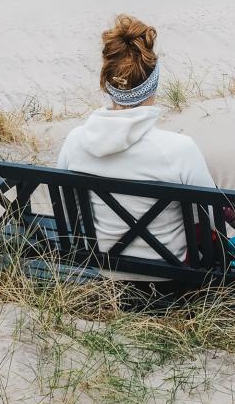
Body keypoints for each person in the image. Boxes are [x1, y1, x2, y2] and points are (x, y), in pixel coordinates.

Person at [56, 14, 215, 261]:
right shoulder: (180, 149)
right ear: (153, 84)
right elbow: (211, 219)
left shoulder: (75, 141)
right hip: (171, 277)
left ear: (106, 84)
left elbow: (71, 213)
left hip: (101, 268)